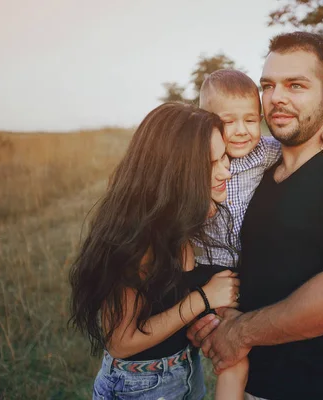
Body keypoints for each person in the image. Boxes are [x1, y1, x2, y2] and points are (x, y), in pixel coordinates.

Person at [188, 32, 323, 400]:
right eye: (268, 85)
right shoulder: (245, 170)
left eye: (296, 85)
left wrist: (238, 332)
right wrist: (205, 319)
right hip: (251, 388)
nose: (277, 98)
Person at [69, 102, 244, 400]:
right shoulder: (137, 240)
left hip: (186, 373)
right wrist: (203, 299)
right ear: (175, 173)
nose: (225, 172)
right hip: (141, 387)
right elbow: (120, 342)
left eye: (224, 157)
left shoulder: (185, 221)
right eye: (210, 164)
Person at [195, 68, 323, 269]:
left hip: (251, 265)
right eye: (228, 122)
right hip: (205, 263)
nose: (242, 131)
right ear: (206, 121)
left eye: (250, 120)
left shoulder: (263, 151)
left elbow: (303, 145)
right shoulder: (194, 157)